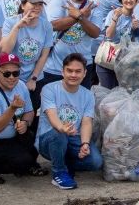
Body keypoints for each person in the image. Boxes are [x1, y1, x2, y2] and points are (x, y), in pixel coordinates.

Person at [0, 53, 47, 185]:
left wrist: (25, 122)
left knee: (36, 140)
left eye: (15, 73)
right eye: (7, 74)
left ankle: (26, 163)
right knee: (22, 160)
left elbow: (30, 111)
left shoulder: (21, 85)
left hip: (11, 137)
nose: (12, 77)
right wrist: (11, 109)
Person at [37, 53, 103, 190]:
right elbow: (52, 115)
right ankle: (59, 172)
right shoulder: (49, 89)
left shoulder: (88, 95)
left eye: (78, 71)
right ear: (62, 71)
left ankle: (65, 163)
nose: (73, 75)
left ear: (85, 73)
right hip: (49, 139)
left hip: (74, 139)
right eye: (69, 70)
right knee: (59, 134)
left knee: (96, 162)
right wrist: (62, 128)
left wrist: (85, 143)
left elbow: (86, 122)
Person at [44, 0, 102, 88]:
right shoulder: (60, 1)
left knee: (79, 103)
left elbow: (95, 33)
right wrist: (79, 15)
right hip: (55, 66)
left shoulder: (94, 7)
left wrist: (80, 17)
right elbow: (53, 26)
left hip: (82, 68)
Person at [0, 0, 54, 111]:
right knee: (11, 112)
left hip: (35, 76)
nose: (37, 7)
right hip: (12, 76)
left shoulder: (46, 25)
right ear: (23, 5)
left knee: (32, 111)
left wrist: (33, 79)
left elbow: (44, 55)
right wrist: (17, 27)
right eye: (33, 4)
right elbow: (5, 51)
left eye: (40, 4)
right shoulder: (11, 22)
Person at [100, 0, 139, 88]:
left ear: (136, 0)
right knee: (107, 93)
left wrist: (135, 28)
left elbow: (133, 40)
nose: (129, 0)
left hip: (124, 62)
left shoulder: (136, 16)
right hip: (107, 60)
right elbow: (109, 35)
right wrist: (115, 19)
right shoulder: (113, 13)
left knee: (122, 94)